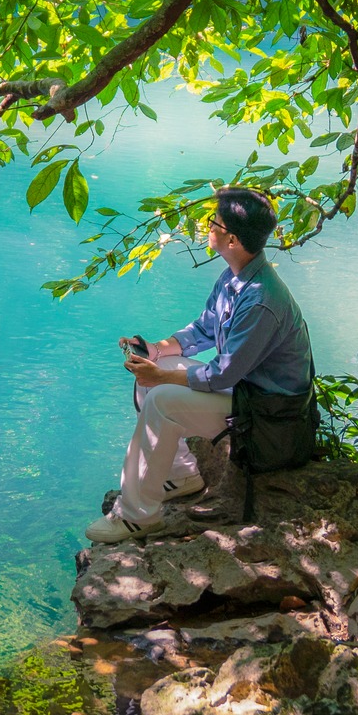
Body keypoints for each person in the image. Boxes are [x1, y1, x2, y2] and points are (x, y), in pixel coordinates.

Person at [86, 187, 313, 544]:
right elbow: (205, 328)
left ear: (233, 239)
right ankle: (182, 474)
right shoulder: (235, 278)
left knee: (161, 396)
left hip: (267, 419)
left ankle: (136, 516)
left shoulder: (261, 300)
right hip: (246, 394)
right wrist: (157, 351)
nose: (207, 226)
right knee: (153, 376)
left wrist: (163, 376)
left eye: (214, 222)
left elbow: (223, 373)